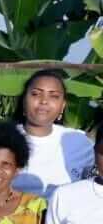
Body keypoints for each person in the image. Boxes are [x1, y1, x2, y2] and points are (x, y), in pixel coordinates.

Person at [11, 69, 93, 198]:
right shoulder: (0, 139)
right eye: (36, 94)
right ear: (23, 101)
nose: (44, 101)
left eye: (53, 96)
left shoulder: (79, 142)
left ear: (62, 106)